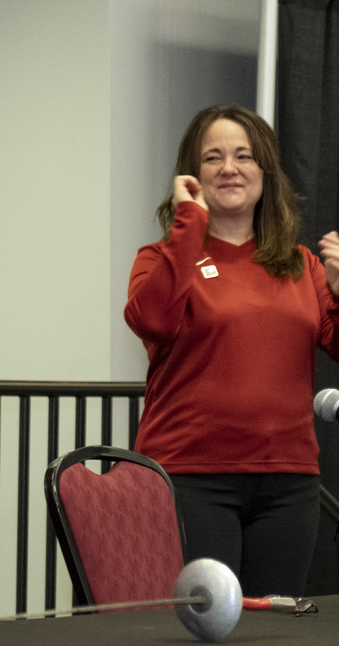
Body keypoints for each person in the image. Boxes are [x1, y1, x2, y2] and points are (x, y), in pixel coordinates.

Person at [125, 104, 339, 597]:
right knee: (202, 642)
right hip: (191, 480)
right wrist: (189, 224)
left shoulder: (302, 265)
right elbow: (152, 320)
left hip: (288, 484)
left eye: (244, 155)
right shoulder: (158, 259)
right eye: (213, 157)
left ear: (265, 171)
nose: (229, 168)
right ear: (191, 174)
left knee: (271, 642)